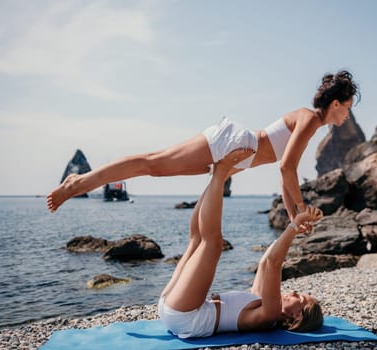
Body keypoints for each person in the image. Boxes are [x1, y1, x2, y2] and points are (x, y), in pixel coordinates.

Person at [47, 70, 359, 221]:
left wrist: (293, 217)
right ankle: (78, 182)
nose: (348, 115)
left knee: (154, 170)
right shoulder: (307, 119)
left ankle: (81, 182)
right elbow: (286, 167)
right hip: (232, 145)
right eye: (347, 107)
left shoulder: (311, 124)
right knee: (151, 161)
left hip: (233, 158)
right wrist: (302, 209)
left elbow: (284, 176)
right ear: (335, 104)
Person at [158, 148, 324, 338]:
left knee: (212, 244)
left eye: (301, 298)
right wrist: (294, 230)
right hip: (177, 309)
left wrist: (294, 226)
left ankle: (221, 172)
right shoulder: (262, 301)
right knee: (196, 240)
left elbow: (274, 264)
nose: (294, 292)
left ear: (296, 318)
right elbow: (265, 262)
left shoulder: (269, 314)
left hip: (186, 317)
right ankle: (217, 176)